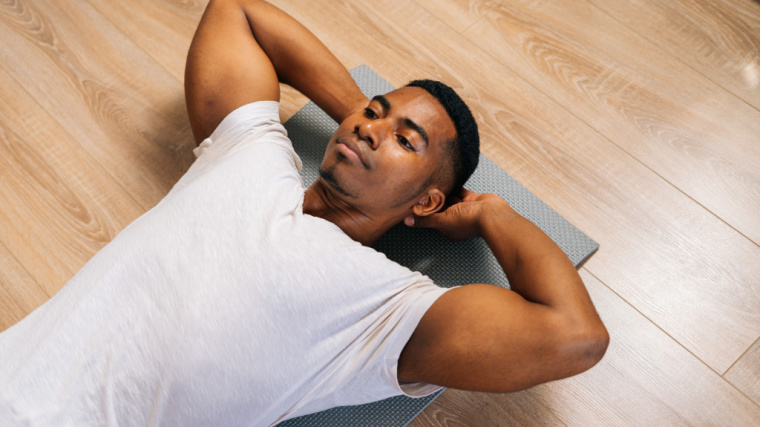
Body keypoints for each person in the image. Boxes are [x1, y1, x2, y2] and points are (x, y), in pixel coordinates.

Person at [0, 0, 608, 425]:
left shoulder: (385, 310)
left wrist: (487, 213)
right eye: (374, 113)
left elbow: (574, 338)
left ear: (426, 201)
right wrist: (362, 120)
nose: (373, 130)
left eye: (407, 140)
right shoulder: (252, 156)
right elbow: (236, 12)